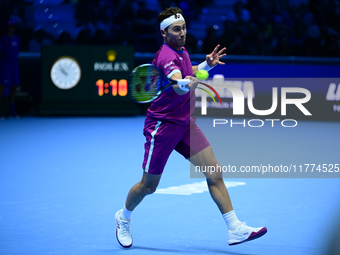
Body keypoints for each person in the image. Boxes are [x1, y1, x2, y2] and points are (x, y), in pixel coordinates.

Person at [115, 7, 267, 248]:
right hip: (162, 128)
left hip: (185, 124)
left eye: (184, 27)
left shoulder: (182, 51)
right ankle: (123, 217)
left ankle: (234, 228)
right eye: (177, 29)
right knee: (148, 186)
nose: (182, 33)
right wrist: (188, 84)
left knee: (214, 172)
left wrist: (206, 65)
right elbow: (177, 83)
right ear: (164, 33)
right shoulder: (166, 57)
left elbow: (188, 73)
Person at [0, 20, 20, 118]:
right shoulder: (3, 39)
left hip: (14, 65)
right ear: (7, 27)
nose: (12, 28)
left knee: (13, 87)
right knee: (2, 86)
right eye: (10, 26)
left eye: (13, 26)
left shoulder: (17, 39)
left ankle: (12, 110)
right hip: (5, 64)